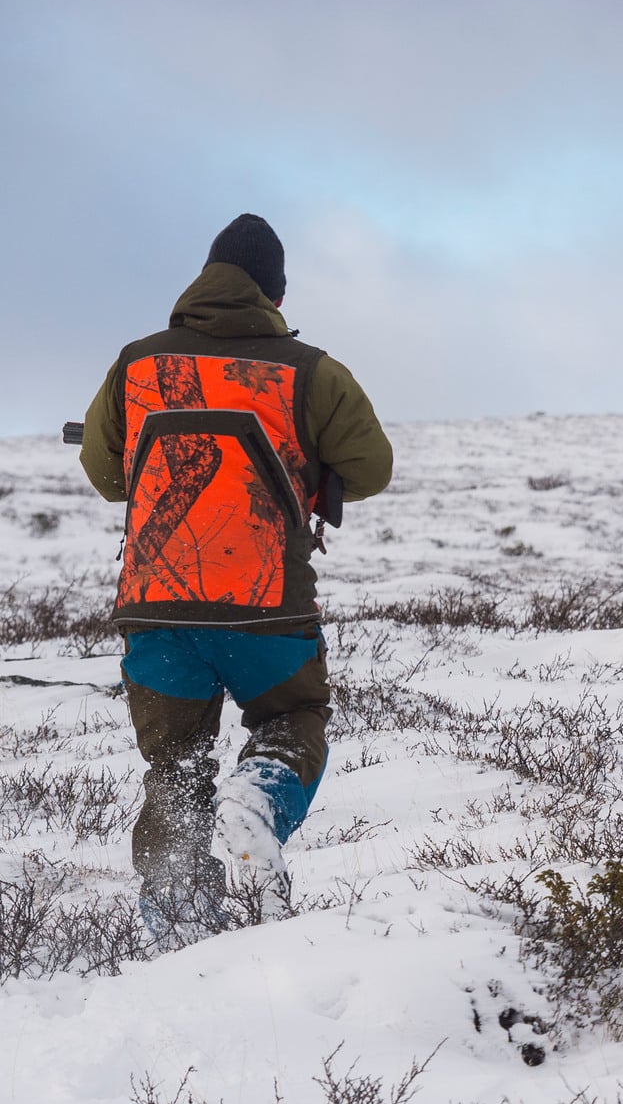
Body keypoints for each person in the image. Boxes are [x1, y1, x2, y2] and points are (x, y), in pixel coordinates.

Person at [77, 214, 392, 938]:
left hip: (157, 607)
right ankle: (260, 795)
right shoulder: (311, 370)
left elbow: (103, 471)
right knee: (292, 719)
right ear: (275, 295)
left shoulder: (137, 362)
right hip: (266, 610)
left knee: (176, 765)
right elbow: (372, 468)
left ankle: (176, 917)